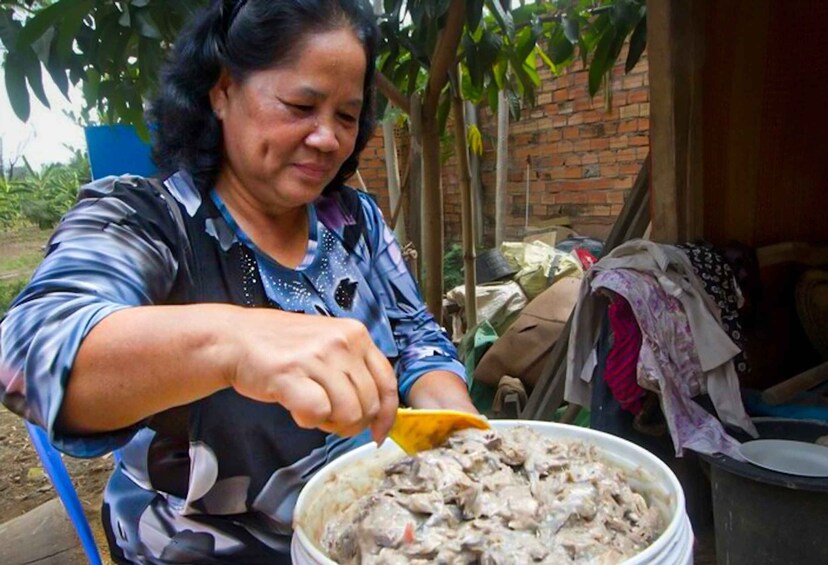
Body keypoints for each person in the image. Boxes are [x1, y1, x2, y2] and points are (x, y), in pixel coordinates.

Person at [0, 0, 476, 562]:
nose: (327, 138)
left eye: (347, 117)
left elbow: (417, 335)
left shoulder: (355, 220)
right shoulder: (144, 219)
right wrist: (234, 342)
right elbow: (29, 353)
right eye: (301, 104)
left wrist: (460, 438)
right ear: (223, 91)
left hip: (372, 531)